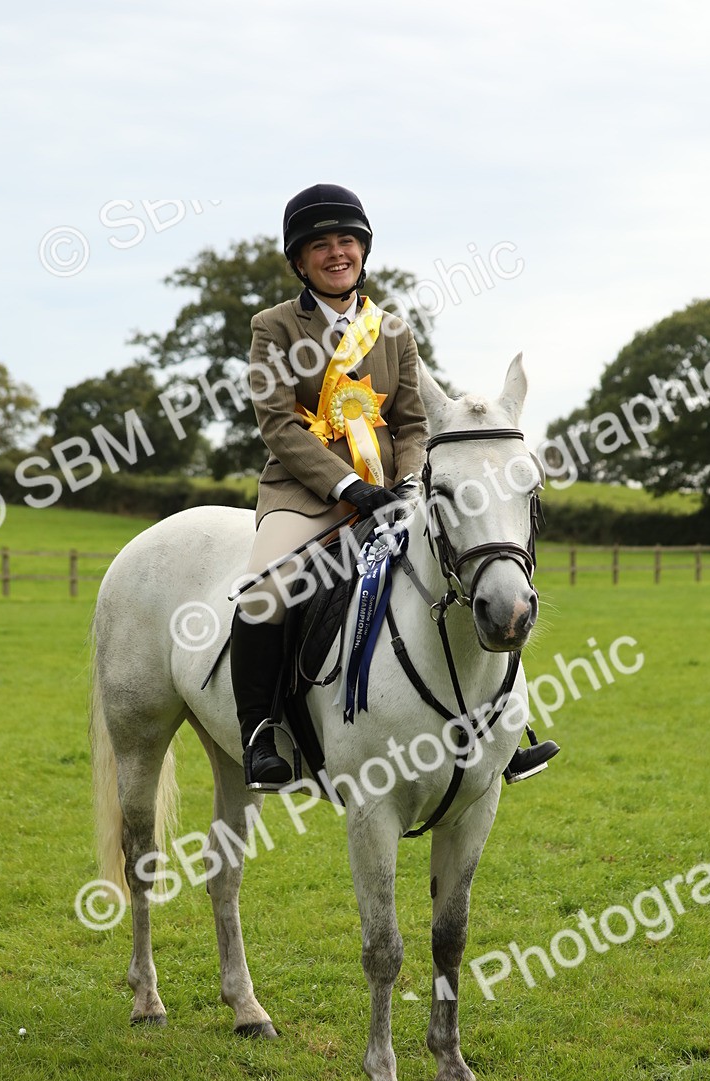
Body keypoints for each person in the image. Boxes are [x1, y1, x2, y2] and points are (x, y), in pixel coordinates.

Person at [231, 183, 558, 789]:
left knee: (475, 569)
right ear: (299, 260)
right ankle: (259, 735)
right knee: (263, 591)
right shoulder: (272, 328)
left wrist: (406, 482)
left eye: (347, 242)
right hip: (306, 494)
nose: (337, 253)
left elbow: (414, 422)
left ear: (363, 251)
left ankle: (502, 732)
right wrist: (348, 488)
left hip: (394, 492)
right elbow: (277, 425)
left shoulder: (394, 331)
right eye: (321, 245)